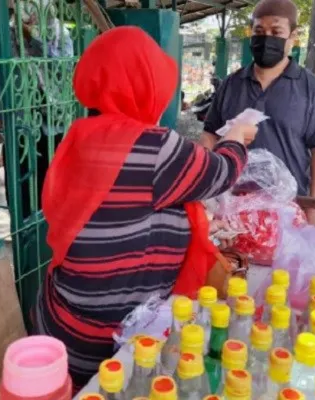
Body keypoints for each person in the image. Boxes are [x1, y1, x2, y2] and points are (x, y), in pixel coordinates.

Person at [33, 26, 255, 389]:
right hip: (113, 341)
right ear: (145, 82)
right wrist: (236, 137)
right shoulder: (153, 147)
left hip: (62, 320)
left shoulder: (78, 135)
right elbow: (221, 173)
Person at [199, 0, 315, 225]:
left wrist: (313, 211)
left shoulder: (310, 89)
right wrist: (202, 186)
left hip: (289, 209)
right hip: (233, 209)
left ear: (292, 37)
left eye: (276, 31)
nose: (266, 38)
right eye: (259, 31)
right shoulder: (232, 84)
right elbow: (210, 136)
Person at [0, 0, 74, 219]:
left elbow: (63, 68)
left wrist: (33, 38)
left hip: (55, 125)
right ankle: (24, 239)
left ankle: (54, 240)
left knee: (56, 191)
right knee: (21, 193)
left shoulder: (60, 34)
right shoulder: (6, 36)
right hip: (20, 126)